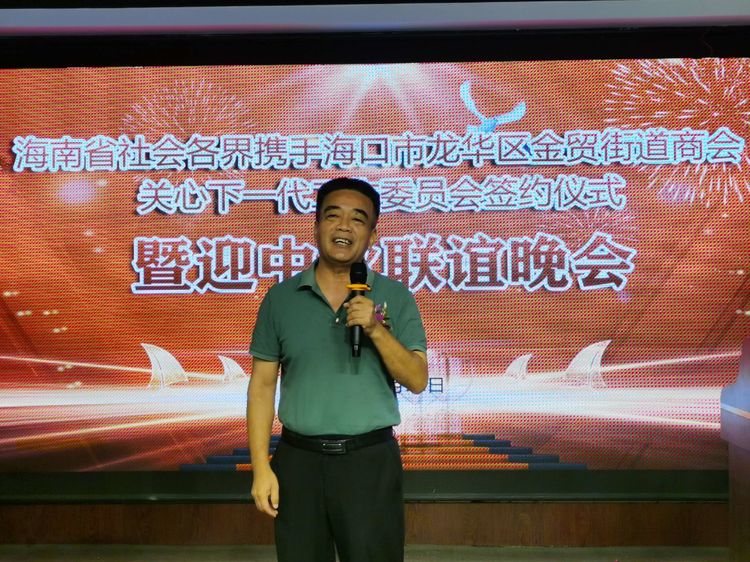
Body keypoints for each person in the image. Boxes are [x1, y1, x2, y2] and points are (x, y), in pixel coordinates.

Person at [247, 177, 428, 562]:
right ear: (316, 227)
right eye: (333, 216)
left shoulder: (395, 296)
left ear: (373, 235)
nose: (344, 226)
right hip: (298, 461)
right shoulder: (281, 299)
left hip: (369, 461)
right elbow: (262, 386)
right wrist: (261, 467)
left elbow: (416, 379)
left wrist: (375, 329)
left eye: (358, 219)